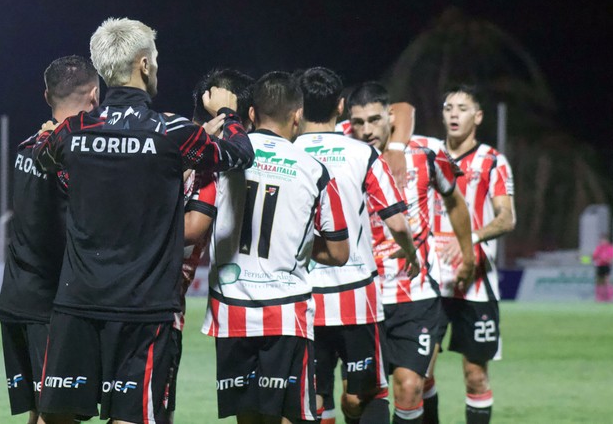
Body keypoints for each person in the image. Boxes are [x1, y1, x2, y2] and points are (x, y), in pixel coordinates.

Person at [33, 18, 254, 424]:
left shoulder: (72, 132)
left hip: (77, 301)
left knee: (55, 417)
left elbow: (46, 160)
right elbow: (239, 155)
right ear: (145, 66)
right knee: (133, 418)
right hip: (145, 307)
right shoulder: (173, 133)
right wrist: (229, 112)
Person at [202, 71, 350, 424]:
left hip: (231, 307)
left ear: (252, 114)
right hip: (285, 312)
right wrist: (298, 247)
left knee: (248, 415)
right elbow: (340, 252)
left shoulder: (223, 158)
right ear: (297, 115)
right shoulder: (314, 169)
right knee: (290, 415)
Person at [295, 69, 420, 424]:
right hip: (356, 296)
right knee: (367, 393)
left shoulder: (289, 152)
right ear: (340, 106)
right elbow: (396, 220)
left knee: (312, 395)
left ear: (299, 109)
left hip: (303, 296)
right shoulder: (361, 153)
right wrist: (410, 253)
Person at [349, 81, 475, 424]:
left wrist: (469, 254)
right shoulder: (344, 149)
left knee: (408, 387)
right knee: (354, 398)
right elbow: (405, 107)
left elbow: (454, 201)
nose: (366, 130)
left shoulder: (427, 151)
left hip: (415, 296)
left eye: (375, 120)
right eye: (358, 122)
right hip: (362, 296)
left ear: (389, 117)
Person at [0, 55, 99, 424]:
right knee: (58, 415)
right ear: (94, 95)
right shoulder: (75, 158)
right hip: (51, 305)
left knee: (41, 411)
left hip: (16, 297)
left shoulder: (28, 148)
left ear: (46, 95)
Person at [157, 69, 255, 424]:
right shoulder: (211, 162)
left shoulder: (158, 129)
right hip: (158, 305)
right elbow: (193, 228)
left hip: (101, 286)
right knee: (154, 411)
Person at [428, 85, 516, 424]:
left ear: (477, 116)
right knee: (418, 375)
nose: (453, 113)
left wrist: (470, 238)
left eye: (462, 108)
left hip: (476, 284)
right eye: (448, 107)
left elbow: (507, 218)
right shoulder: (429, 155)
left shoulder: (492, 161)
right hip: (432, 282)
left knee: (475, 375)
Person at [592, 236, 613, 302]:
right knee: (599, 281)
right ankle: (599, 298)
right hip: (600, 266)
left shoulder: (610, 247)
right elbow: (594, 256)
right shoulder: (599, 248)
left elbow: (609, 257)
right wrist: (600, 258)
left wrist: (603, 258)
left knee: (607, 280)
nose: (602, 242)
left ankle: (610, 297)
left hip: (606, 266)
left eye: (603, 240)